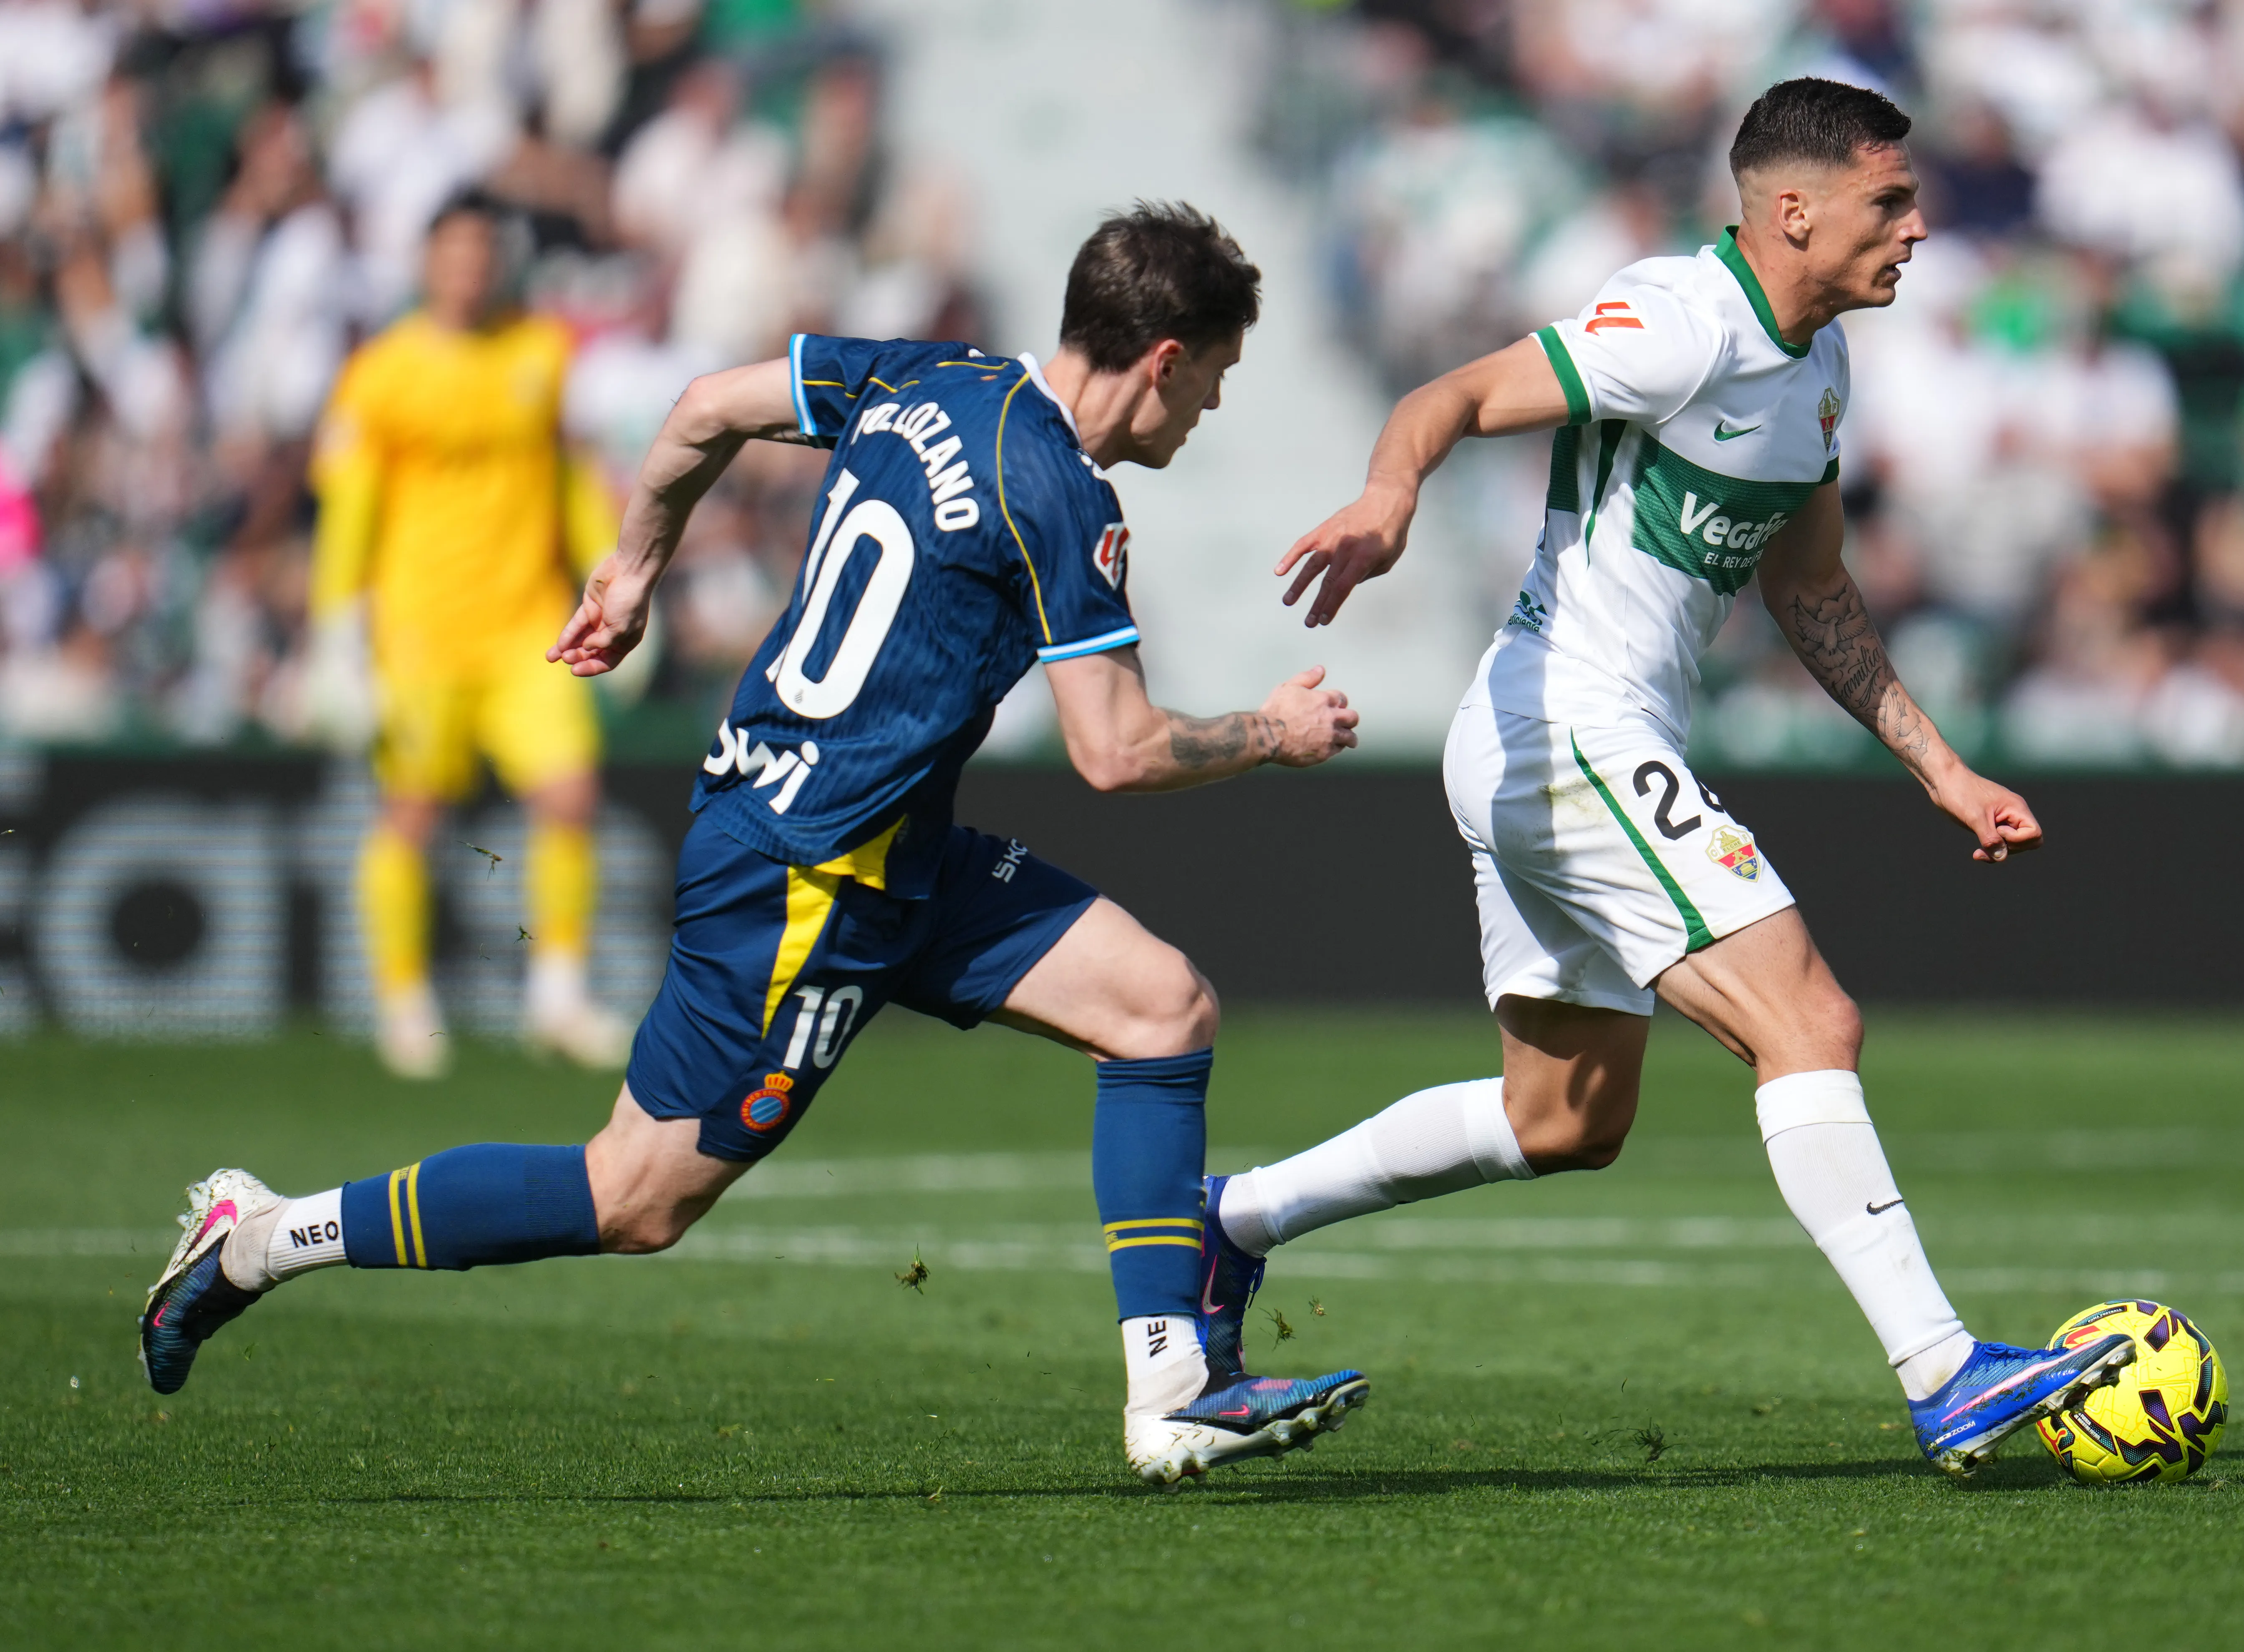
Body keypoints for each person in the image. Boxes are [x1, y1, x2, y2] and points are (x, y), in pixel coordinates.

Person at [143, 204, 1370, 1486]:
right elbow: (1112, 752)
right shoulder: (1059, 495)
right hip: (806, 875)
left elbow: (702, 408)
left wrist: (632, 569)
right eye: (1215, 383)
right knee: (634, 1199)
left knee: (1160, 1007)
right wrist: (1272, 734)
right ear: (1165, 359)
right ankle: (258, 1238)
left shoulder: (922, 375)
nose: (1208, 414)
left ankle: (1174, 1388)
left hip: (884, 844)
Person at [1206, 80, 2134, 1479]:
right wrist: (1394, 495)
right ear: (1795, 210)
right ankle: (1944, 1372)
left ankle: (1230, 1226)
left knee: (1564, 1120)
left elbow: (1812, 587)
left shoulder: (1818, 368)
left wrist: (1939, 768)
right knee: (1808, 1019)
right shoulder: (1677, 320)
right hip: (1566, 723)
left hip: (1567, 741)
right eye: (1890, 202)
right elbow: (1448, 394)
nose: (1918, 227)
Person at [306, 190, 633, 1077]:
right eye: (454, 251)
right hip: (419, 634)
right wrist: (336, 631)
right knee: (411, 814)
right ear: (427, 262)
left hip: (526, 626)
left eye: (484, 251)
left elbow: (572, 477)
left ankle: (558, 996)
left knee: (569, 796)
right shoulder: (383, 372)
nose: (470, 268)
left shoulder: (541, 351)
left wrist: (618, 574)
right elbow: (350, 509)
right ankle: (403, 1001)